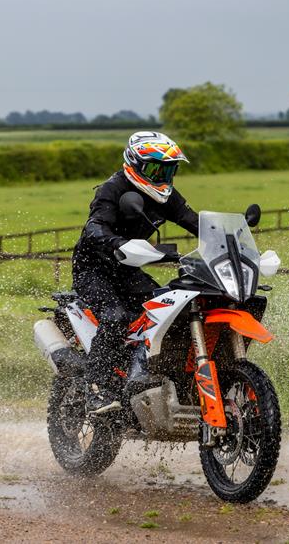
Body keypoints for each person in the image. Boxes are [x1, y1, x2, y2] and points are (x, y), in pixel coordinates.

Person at [72, 131, 199, 414]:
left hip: (127, 270)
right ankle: (96, 388)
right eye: (156, 168)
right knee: (115, 316)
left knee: (166, 307)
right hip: (93, 269)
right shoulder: (112, 189)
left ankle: (143, 377)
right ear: (135, 164)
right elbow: (94, 228)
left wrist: (228, 239)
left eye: (169, 169)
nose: (162, 175)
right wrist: (117, 243)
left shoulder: (167, 196)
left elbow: (193, 221)